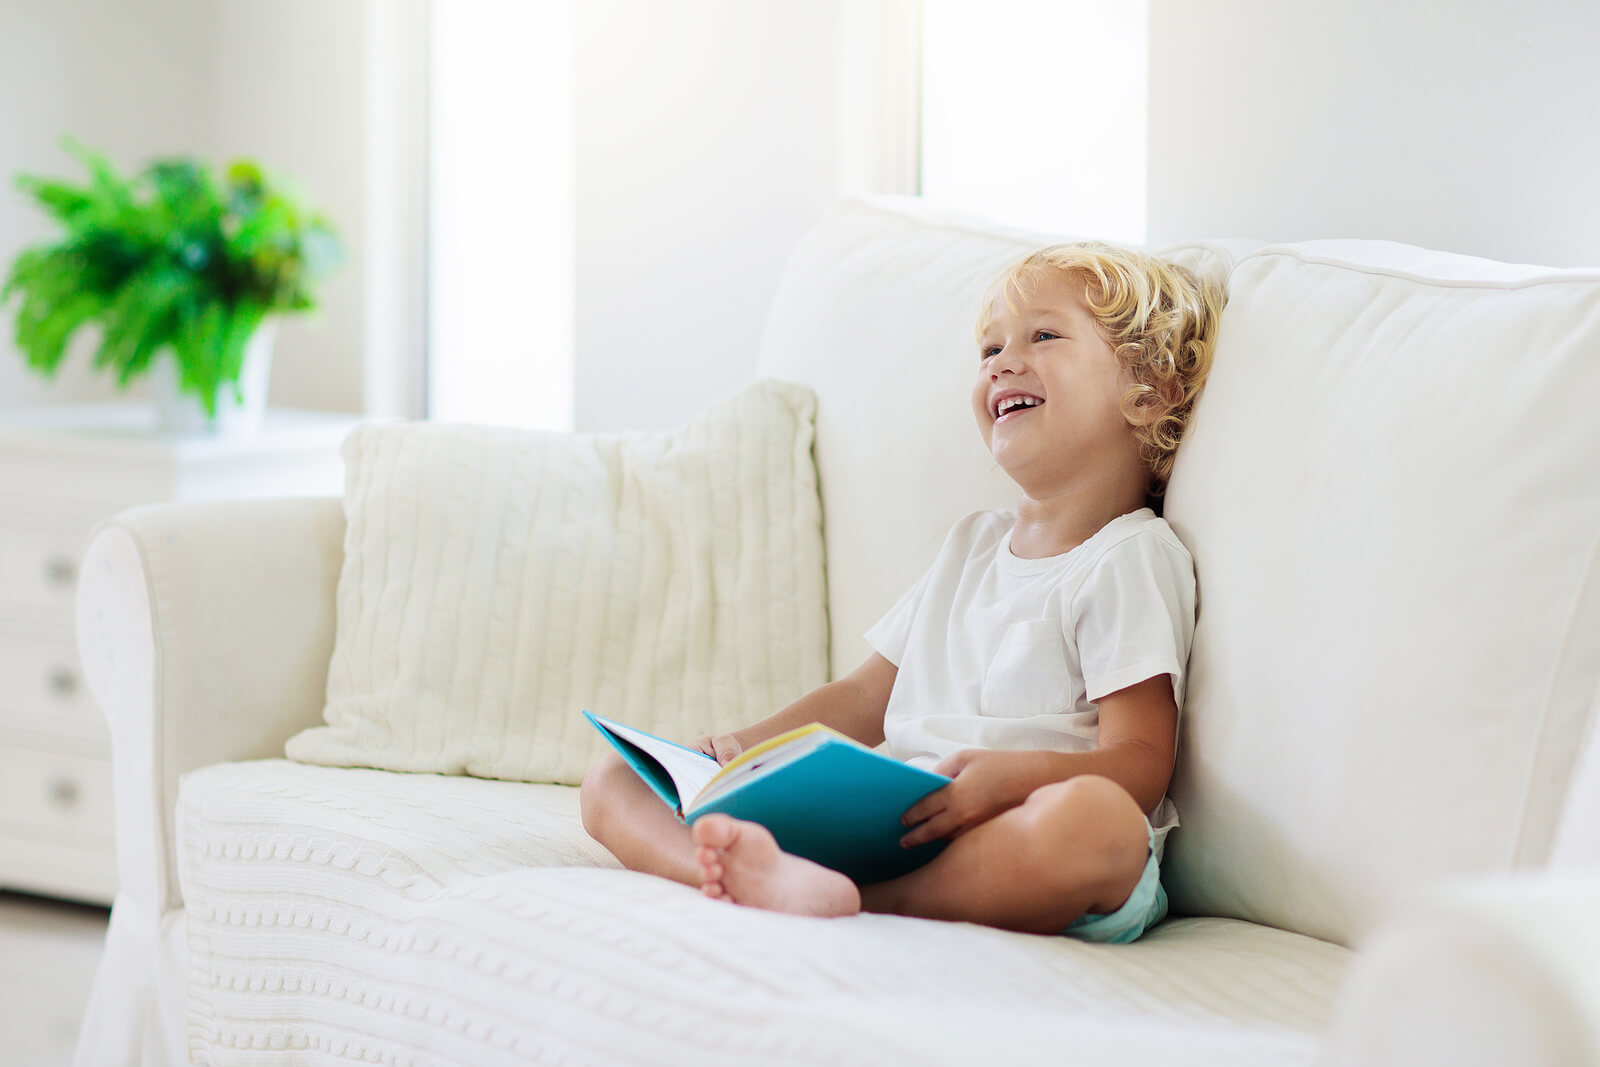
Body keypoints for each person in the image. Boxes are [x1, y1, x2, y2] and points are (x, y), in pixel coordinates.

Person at [579, 241, 1225, 942]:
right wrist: (740, 749)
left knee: (1098, 824)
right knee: (615, 776)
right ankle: (747, 879)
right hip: (903, 820)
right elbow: (862, 698)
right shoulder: (970, 547)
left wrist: (1009, 780)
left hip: (1018, 826)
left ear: (1148, 390)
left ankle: (866, 899)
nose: (1003, 361)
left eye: (1043, 335)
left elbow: (1139, 764)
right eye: (989, 350)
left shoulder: (1129, 555)